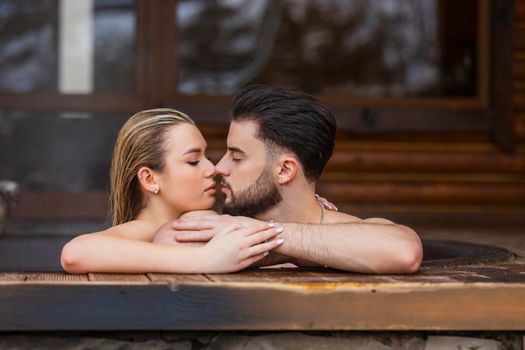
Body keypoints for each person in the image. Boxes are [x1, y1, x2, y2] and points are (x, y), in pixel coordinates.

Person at [154, 85, 423, 274]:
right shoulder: (219, 224)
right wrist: (314, 251)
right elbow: (169, 241)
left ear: (284, 170)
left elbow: (404, 251)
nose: (219, 168)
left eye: (236, 157)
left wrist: (268, 237)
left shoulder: (358, 228)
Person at [60, 108, 286, 274]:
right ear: (149, 179)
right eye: (194, 161)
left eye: (205, 157)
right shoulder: (146, 229)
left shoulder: (193, 224)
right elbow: (75, 254)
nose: (212, 169)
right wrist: (205, 259)